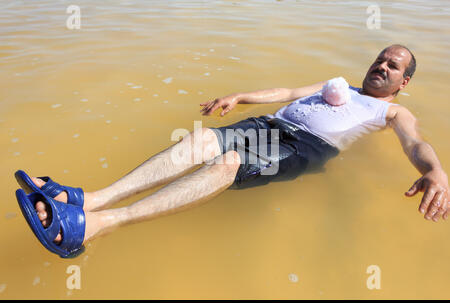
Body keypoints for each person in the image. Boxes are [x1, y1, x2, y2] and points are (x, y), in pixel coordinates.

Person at [15, 44, 449, 258]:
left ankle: (95, 225)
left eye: (393, 66)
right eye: (380, 59)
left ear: (403, 82)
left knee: (228, 162)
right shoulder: (337, 85)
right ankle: (91, 199)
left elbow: (416, 141)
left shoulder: (390, 114)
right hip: (270, 124)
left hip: (305, 147)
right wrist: (240, 96)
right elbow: (287, 90)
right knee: (200, 138)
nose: (382, 66)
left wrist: (435, 171)